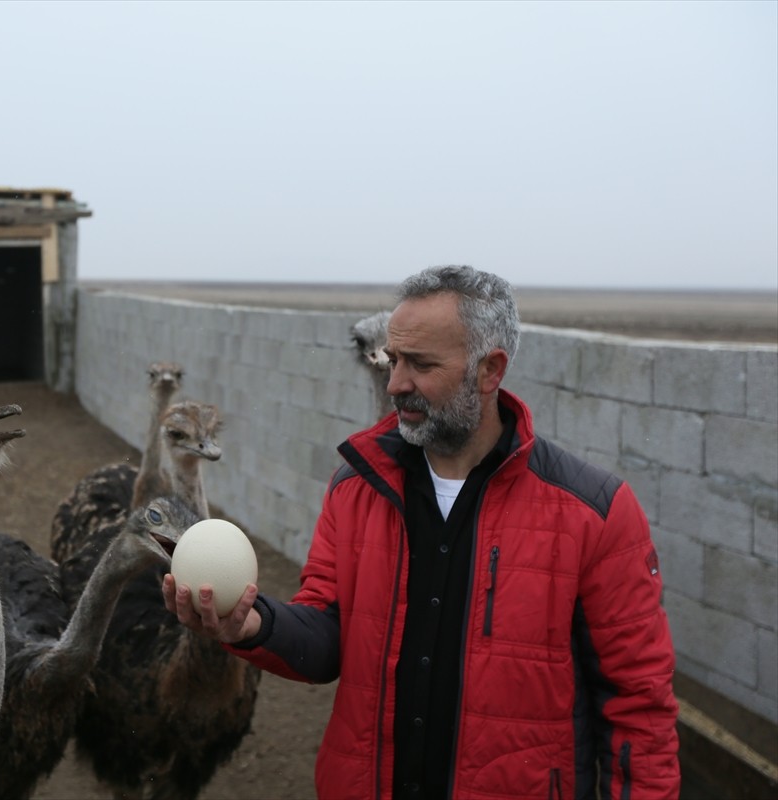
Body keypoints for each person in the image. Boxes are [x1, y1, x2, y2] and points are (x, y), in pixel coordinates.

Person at [163, 265, 680, 800]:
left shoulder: (593, 512)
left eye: (420, 364)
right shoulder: (356, 488)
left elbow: (638, 708)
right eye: (393, 360)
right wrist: (253, 626)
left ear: (489, 370)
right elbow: (328, 636)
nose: (395, 384)